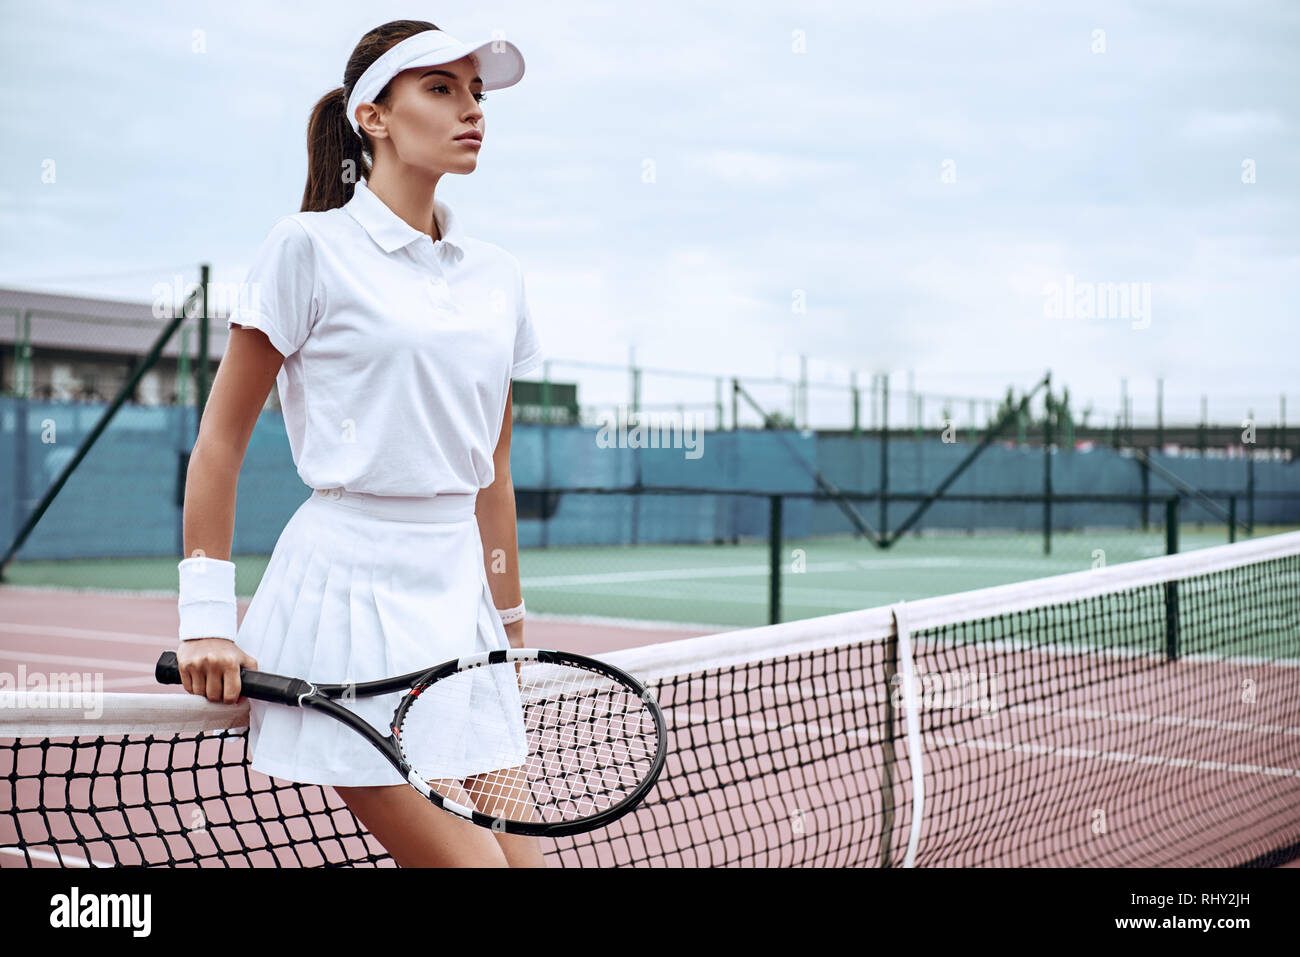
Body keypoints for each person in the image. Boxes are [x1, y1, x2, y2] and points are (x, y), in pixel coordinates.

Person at [173, 20, 545, 868]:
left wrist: (512, 628)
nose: (471, 110)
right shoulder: (306, 248)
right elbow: (220, 443)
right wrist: (204, 621)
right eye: (441, 89)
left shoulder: (500, 277)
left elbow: (491, 474)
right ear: (372, 116)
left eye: (476, 93)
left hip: (461, 611)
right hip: (342, 610)